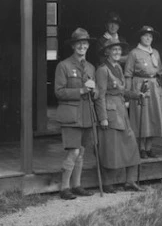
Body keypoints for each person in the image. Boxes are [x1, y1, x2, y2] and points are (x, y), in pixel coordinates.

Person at [94, 37, 145, 193]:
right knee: (110, 149)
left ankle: (129, 181)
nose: (117, 52)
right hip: (110, 114)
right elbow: (100, 95)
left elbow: (121, 91)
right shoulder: (102, 70)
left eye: (119, 50)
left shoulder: (118, 67)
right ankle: (107, 183)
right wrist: (102, 117)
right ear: (107, 52)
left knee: (131, 146)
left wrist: (137, 95)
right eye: (113, 49)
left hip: (122, 112)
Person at [54, 28, 97, 200]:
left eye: (85, 43)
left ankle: (77, 185)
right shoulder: (63, 66)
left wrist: (94, 92)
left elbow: (95, 91)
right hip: (71, 115)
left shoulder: (91, 67)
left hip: (86, 114)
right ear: (73, 46)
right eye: (78, 43)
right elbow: (59, 92)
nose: (82, 46)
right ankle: (64, 187)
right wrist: (80, 90)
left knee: (82, 152)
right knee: (73, 152)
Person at [125, 25, 162, 159]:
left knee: (154, 116)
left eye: (150, 36)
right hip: (140, 86)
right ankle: (141, 148)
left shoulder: (155, 52)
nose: (148, 38)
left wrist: (159, 90)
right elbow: (128, 74)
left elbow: (159, 72)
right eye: (145, 36)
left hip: (154, 87)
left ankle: (149, 148)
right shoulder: (134, 53)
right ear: (140, 37)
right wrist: (127, 94)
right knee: (142, 117)